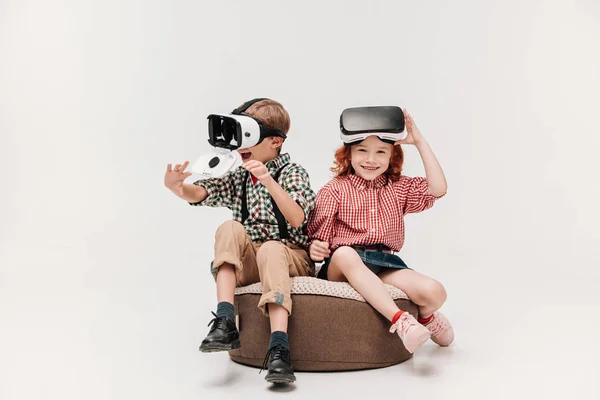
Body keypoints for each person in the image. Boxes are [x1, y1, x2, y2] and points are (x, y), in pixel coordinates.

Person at [164, 98, 316, 383]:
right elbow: (205, 192)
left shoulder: (293, 173)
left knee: (271, 248)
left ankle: (279, 347)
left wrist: (268, 180)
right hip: (252, 262)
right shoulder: (239, 176)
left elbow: (297, 218)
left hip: (290, 257)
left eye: (248, 135)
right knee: (229, 227)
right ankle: (224, 320)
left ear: (274, 142)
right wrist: (179, 188)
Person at [307, 108, 453, 354]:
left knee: (435, 291)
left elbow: (437, 189)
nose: (371, 160)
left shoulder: (398, 188)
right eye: (362, 150)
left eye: (381, 152)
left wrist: (418, 141)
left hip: (384, 263)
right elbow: (313, 237)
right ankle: (401, 321)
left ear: (391, 157)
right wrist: (314, 247)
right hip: (342, 265)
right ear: (349, 154)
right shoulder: (334, 190)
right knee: (344, 253)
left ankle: (426, 316)